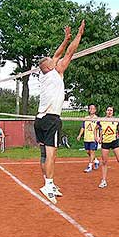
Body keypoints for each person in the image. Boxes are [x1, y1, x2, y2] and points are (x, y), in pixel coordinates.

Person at [34, 20, 85, 204]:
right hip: (51, 119)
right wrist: (78, 36)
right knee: (51, 154)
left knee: (44, 154)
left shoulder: (44, 73)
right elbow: (69, 53)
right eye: (51, 61)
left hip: (39, 119)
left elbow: (57, 53)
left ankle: (49, 182)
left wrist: (65, 38)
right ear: (49, 66)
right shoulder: (57, 71)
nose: (54, 59)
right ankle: (48, 185)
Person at [95, 106, 119, 189]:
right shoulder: (101, 120)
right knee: (104, 162)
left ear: (113, 112)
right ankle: (104, 181)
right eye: (108, 110)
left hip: (114, 142)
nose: (109, 112)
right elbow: (96, 129)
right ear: (106, 111)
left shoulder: (116, 120)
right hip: (105, 142)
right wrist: (97, 137)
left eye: (111, 110)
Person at [77, 104, 100, 173]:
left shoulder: (97, 119)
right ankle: (96, 160)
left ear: (95, 110)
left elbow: (99, 128)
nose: (91, 110)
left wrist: (98, 137)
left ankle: (89, 166)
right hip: (86, 137)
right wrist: (79, 135)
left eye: (93, 108)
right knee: (88, 152)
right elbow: (83, 127)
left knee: (92, 151)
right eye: (90, 108)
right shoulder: (86, 118)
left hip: (93, 138)